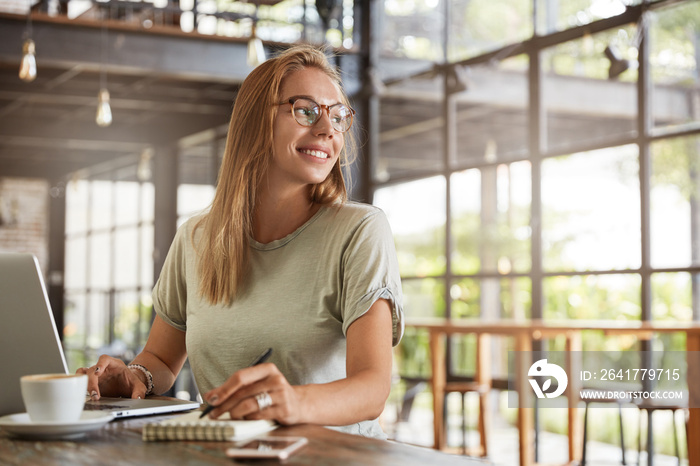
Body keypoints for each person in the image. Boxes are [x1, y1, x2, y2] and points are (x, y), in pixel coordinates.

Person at [78, 44, 404, 439]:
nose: (327, 129)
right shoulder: (195, 239)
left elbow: (372, 388)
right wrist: (132, 377)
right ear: (255, 121)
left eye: (337, 116)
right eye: (306, 110)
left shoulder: (360, 231)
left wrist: (290, 403)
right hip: (231, 454)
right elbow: (162, 359)